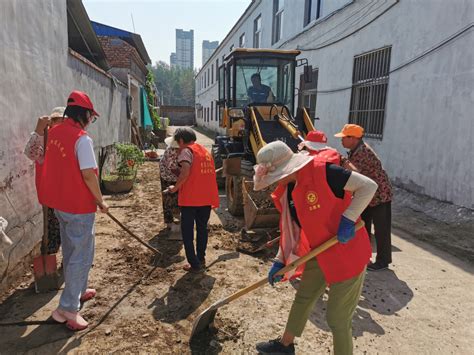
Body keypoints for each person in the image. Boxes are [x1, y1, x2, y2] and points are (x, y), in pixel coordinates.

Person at [253, 141, 377, 355]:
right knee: (303, 297)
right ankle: (285, 346)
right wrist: (280, 260)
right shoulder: (289, 189)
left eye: (275, 176)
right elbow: (292, 229)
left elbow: (368, 186)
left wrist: (348, 218)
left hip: (347, 252)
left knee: (337, 318)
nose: (274, 183)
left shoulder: (326, 172)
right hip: (318, 252)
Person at [39, 91, 108, 330]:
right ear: (84, 114)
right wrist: (100, 201)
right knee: (81, 255)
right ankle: (67, 309)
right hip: (79, 206)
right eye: (91, 116)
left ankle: (77, 291)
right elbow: (89, 174)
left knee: (71, 250)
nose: (91, 120)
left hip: (60, 204)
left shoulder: (54, 132)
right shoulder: (82, 139)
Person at [335, 124, 393, 271]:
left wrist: (342, 161)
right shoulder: (355, 150)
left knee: (381, 229)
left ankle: (383, 261)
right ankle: (363, 255)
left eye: (344, 138)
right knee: (363, 225)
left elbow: (355, 173)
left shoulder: (363, 152)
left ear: (353, 138)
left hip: (379, 195)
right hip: (367, 194)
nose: (341, 141)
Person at [168, 127, 219, 272]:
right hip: (206, 198)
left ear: (182, 140)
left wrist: (175, 188)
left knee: (187, 231)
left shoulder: (186, 151)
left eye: (178, 143)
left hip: (191, 199)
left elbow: (185, 172)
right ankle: (201, 259)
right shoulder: (204, 151)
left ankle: (194, 264)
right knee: (202, 229)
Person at [24, 107, 65, 255]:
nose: (59, 126)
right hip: (49, 194)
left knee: (67, 231)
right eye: (56, 121)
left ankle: (67, 263)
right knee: (52, 232)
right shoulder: (44, 138)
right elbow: (31, 153)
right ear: (51, 123)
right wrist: (38, 130)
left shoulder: (69, 138)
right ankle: (48, 260)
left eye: (63, 122)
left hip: (66, 194)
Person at [159, 136, 180, 232]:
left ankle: (178, 217)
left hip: (177, 176)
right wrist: (185, 177)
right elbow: (173, 169)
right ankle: (169, 222)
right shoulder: (171, 151)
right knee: (168, 198)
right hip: (167, 176)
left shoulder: (184, 150)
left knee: (177, 197)